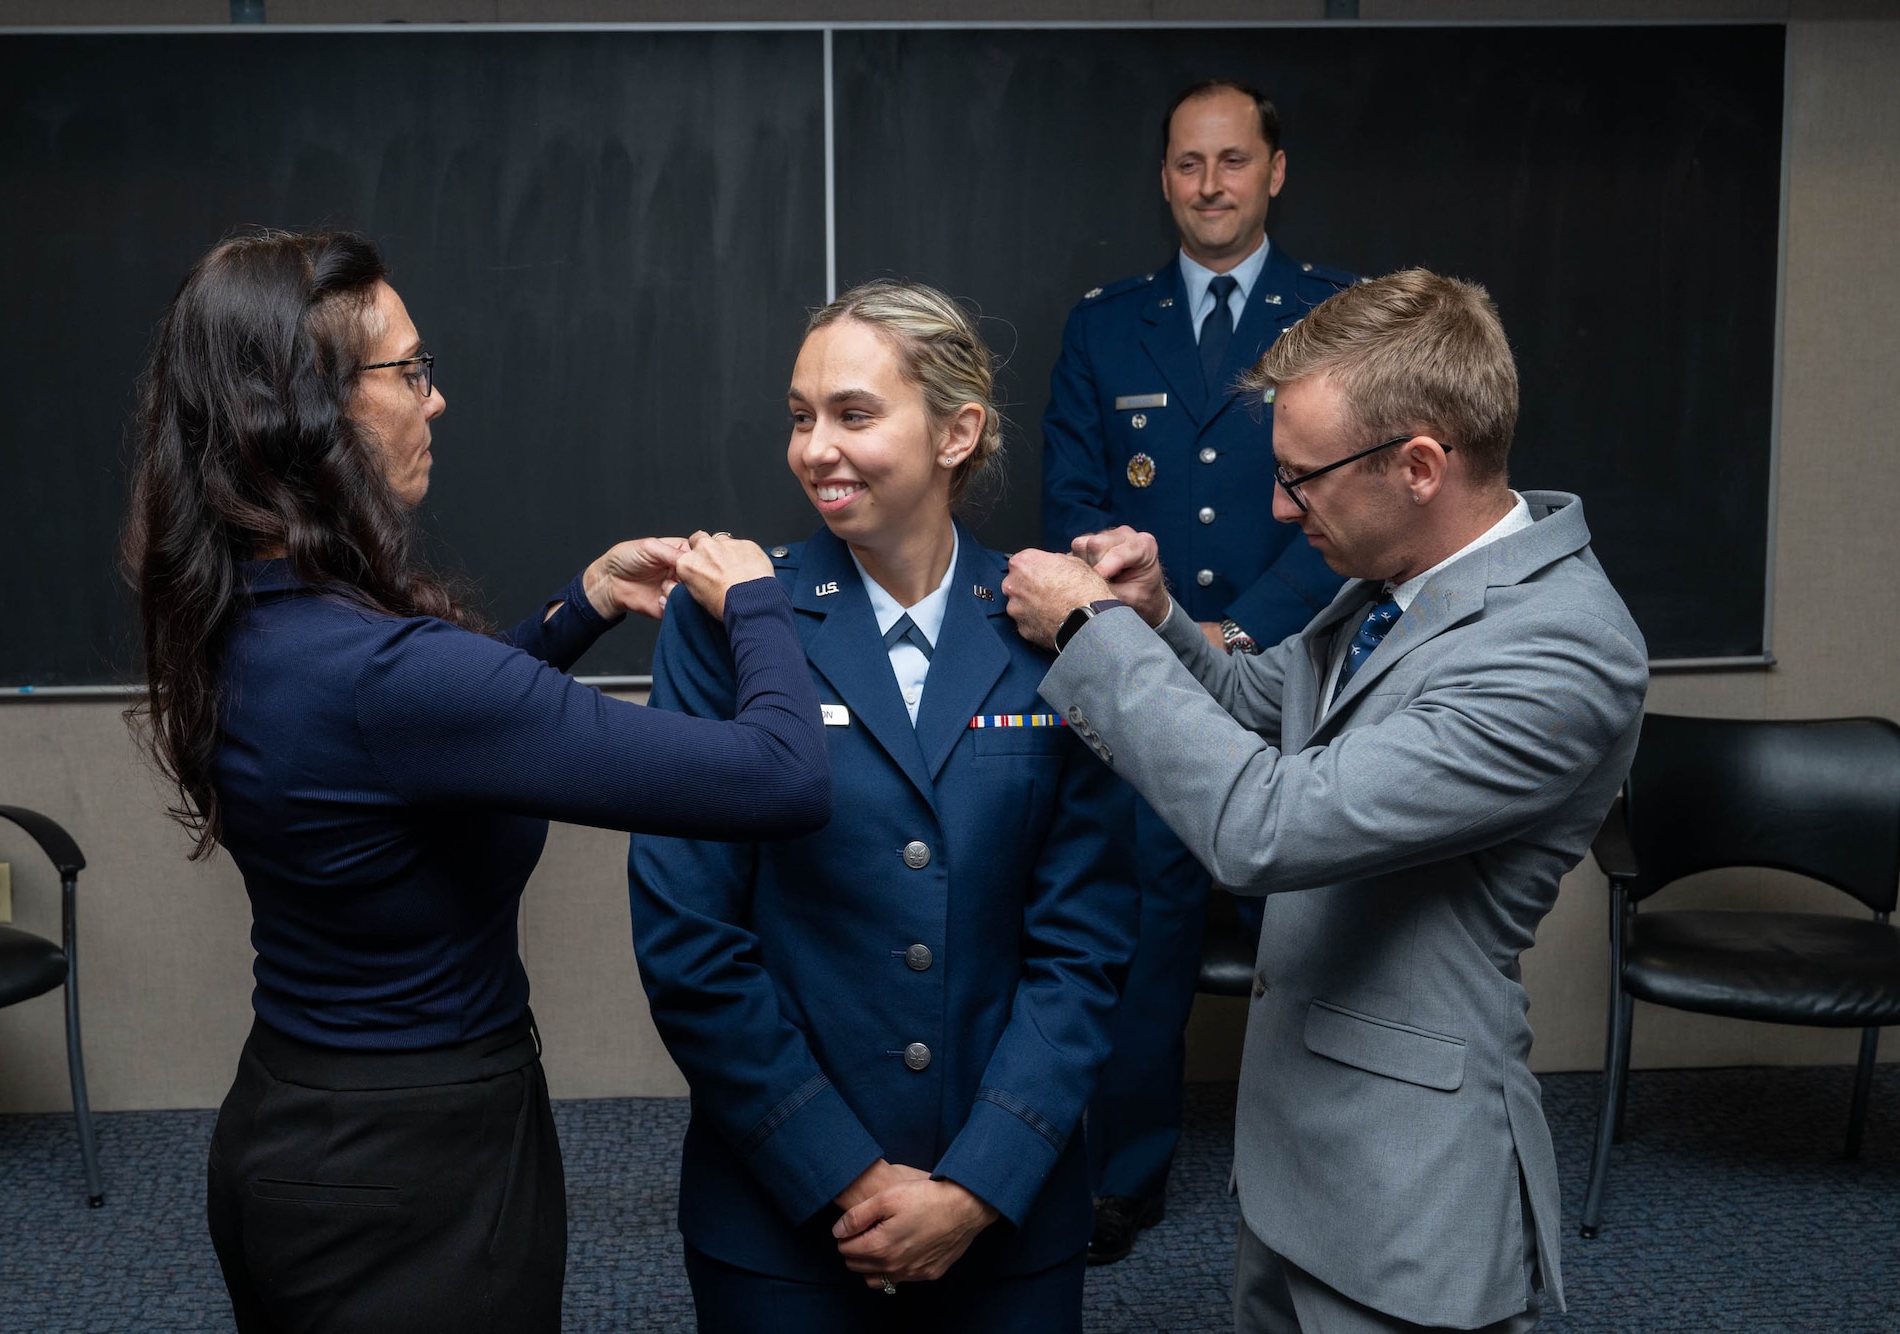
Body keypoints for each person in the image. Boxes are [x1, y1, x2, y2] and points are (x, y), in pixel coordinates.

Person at [121, 229, 832, 1333]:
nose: (434, 400)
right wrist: (759, 600)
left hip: (298, 1130)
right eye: (410, 371)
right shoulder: (393, 678)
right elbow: (779, 775)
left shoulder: (249, 612)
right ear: (312, 407)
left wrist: (577, 604)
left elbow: (416, 736)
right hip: (416, 1180)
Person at [1004, 269, 1648, 1331]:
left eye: (1299, 478)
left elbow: (1267, 822)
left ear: (1419, 465)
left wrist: (1088, 635)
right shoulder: (1402, 576)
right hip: (1295, 1155)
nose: (1274, 504)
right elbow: (1266, 702)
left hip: (1409, 1186)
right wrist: (1157, 616)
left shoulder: (1560, 648)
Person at [629, 279, 1137, 1332]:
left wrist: (974, 1185)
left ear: (957, 432)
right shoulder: (724, 623)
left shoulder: (1045, 623)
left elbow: (1082, 944)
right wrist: (847, 1176)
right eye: (800, 416)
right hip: (783, 1211)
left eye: (853, 415)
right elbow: (688, 938)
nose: (814, 447)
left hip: (1006, 1205)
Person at [1040, 76, 1356, 1266]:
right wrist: (1162, 636)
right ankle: (1122, 1178)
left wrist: (1240, 633)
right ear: (1164, 177)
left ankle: (1336, 1171)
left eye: (1231, 161)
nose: (1209, 184)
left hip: (1303, 675)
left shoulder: (1336, 317)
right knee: (1139, 938)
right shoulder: (1102, 323)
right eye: (1187, 163)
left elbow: (1356, 501)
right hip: (1151, 688)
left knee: (1322, 935)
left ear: (1273, 172)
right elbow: (1070, 498)